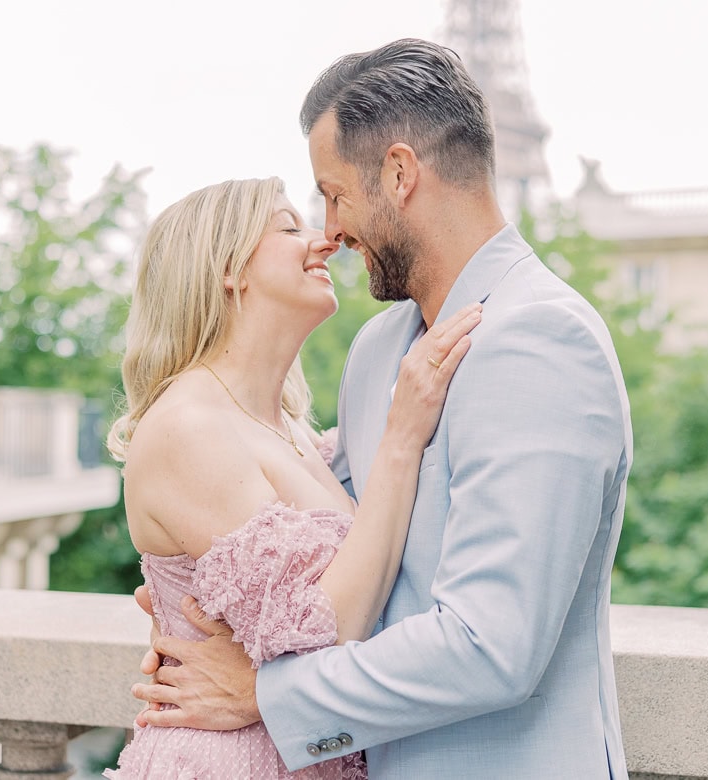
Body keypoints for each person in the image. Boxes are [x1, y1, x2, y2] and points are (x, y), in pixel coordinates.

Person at [131, 38, 633, 779]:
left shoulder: (541, 340)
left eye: (334, 195)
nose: (330, 231)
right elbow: (333, 543)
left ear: (399, 174)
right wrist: (202, 604)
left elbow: (493, 646)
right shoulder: (377, 353)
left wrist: (267, 695)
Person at [103, 175, 480, 778]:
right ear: (228, 268)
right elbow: (328, 631)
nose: (325, 240)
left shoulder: (293, 431)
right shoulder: (188, 426)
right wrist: (402, 437)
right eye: (288, 227)